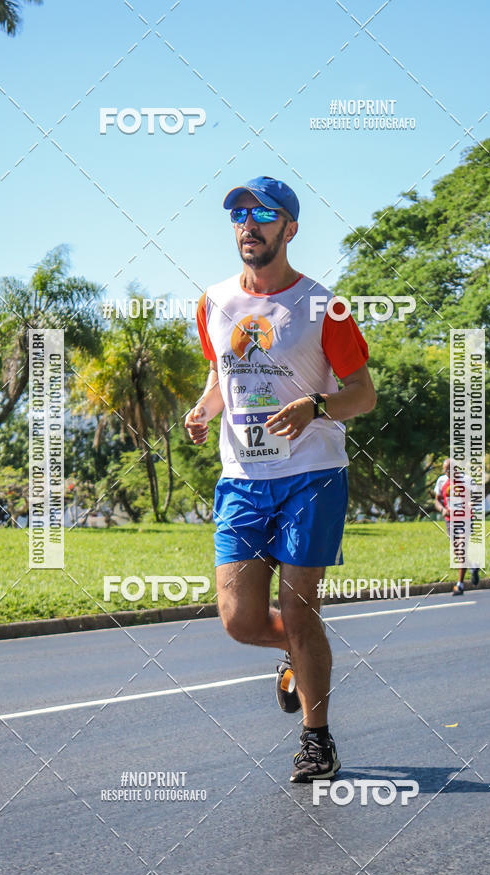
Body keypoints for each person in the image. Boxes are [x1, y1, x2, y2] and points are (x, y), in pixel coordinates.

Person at [184, 176, 376, 782]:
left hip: (310, 474)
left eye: (263, 213)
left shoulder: (325, 306)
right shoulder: (213, 302)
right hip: (242, 477)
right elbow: (223, 375)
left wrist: (314, 407)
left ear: (289, 228)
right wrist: (202, 410)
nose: (248, 223)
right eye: (239, 213)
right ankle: (295, 657)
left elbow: (363, 396)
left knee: (299, 611)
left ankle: (317, 740)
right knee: (240, 620)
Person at [434, 458, 480, 595]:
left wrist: (471, 504)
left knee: (461, 548)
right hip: (450, 520)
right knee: (458, 552)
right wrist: (442, 510)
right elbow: (437, 500)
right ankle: (473, 566)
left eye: (450, 469)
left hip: (465, 518)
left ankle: (459, 585)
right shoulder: (441, 481)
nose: (447, 472)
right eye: (445, 470)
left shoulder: (466, 480)